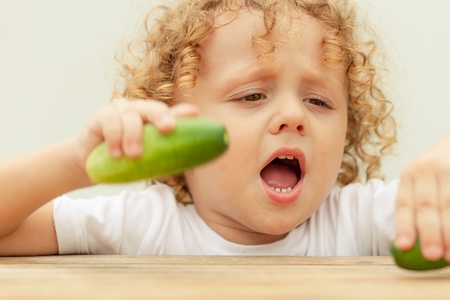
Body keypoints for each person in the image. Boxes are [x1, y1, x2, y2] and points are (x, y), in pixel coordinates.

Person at [0, 0, 449, 261]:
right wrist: (77, 162)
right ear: (171, 123)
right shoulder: (145, 227)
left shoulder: (357, 221)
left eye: (319, 100)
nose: (293, 115)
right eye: (252, 96)